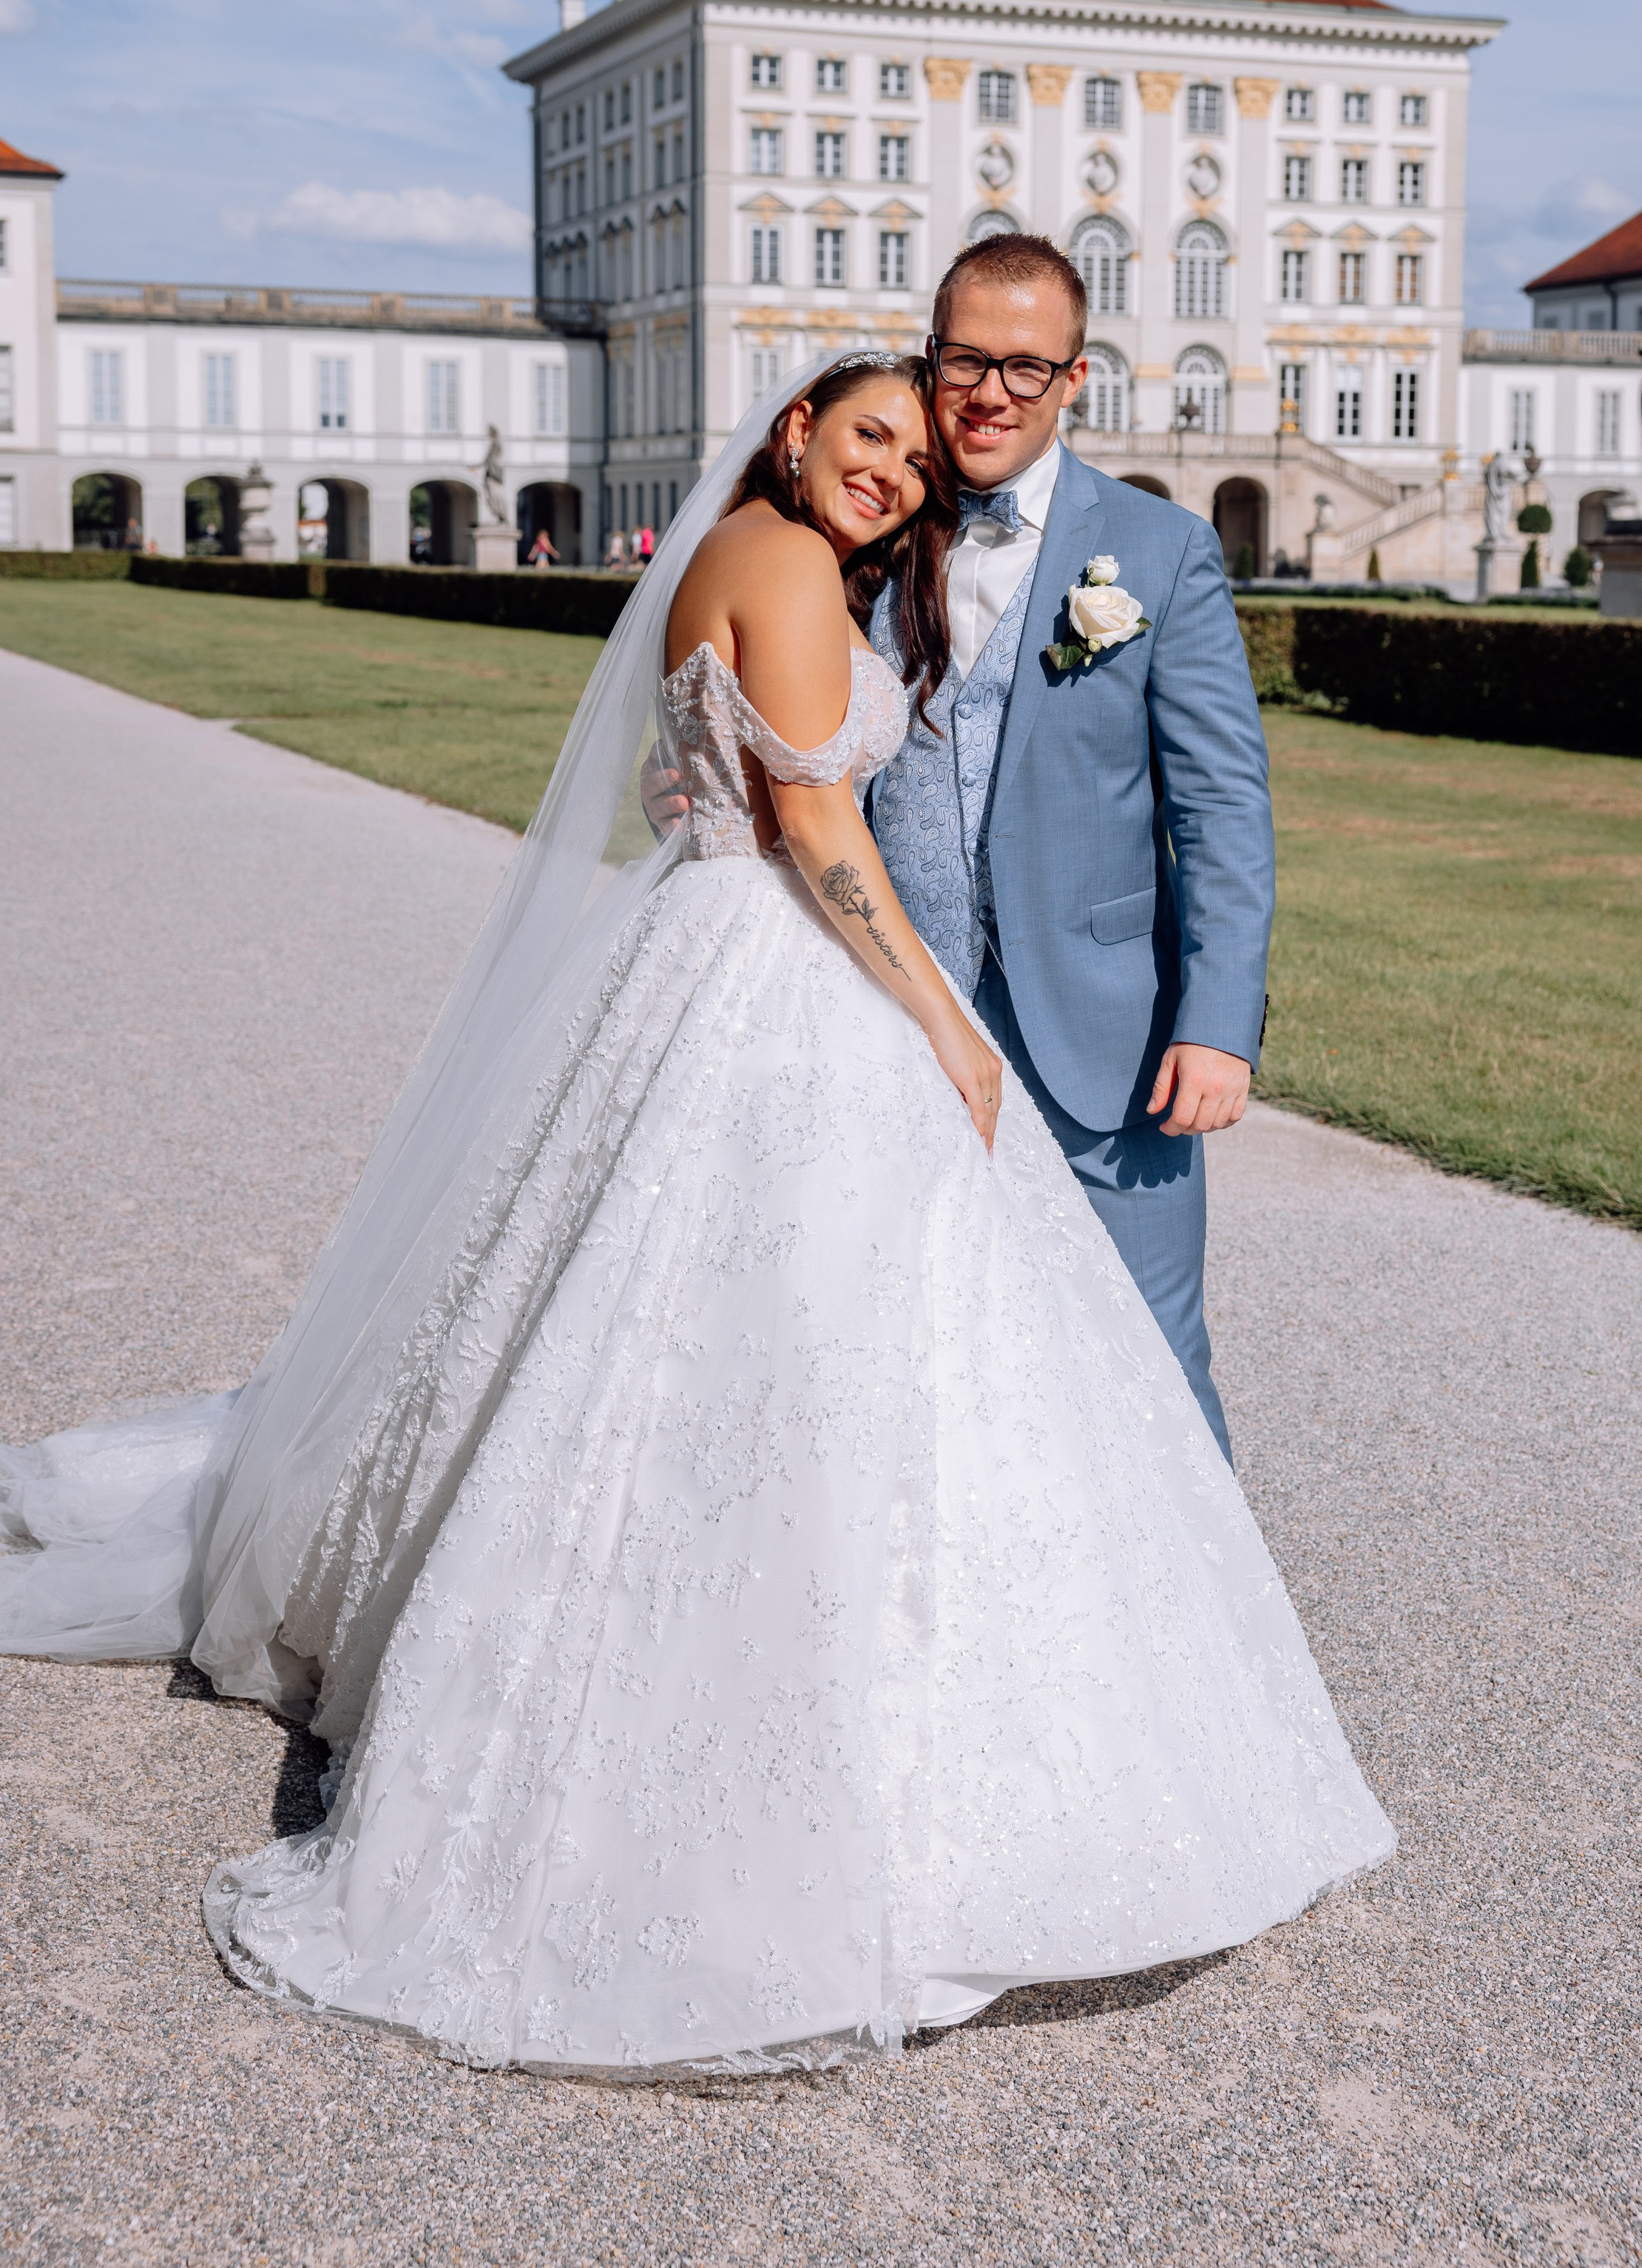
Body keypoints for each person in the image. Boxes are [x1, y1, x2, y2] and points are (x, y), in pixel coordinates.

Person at [0, 353, 1391, 2081]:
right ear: (794, 428)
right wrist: (946, 1028)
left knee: (644, 1319)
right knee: (783, 1346)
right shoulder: (792, 561)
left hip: (704, 952)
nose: (890, 468)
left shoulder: (751, 548)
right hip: (782, 973)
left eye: (910, 448)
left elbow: (708, 779)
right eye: (864, 432)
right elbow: (812, 820)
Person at [867, 234, 1271, 1461]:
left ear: (1075, 379)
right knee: (906, 1340)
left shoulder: (1156, 548)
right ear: (929, 359)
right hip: (891, 1014)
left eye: (1025, 368)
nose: (991, 392)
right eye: (966, 361)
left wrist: (1215, 1021)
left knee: (1149, 1349)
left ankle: (1207, 1646)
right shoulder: (870, 523)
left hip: (1107, 1035)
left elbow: (1221, 807)